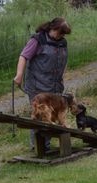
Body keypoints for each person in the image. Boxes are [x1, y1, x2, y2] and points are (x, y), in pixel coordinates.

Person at [14, 17, 71, 150]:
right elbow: (23, 56)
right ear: (53, 28)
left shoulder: (62, 42)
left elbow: (64, 60)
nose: (62, 36)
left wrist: (62, 74)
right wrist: (19, 75)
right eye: (61, 32)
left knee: (52, 115)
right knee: (40, 115)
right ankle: (38, 146)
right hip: (37, 86)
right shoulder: (37, 40)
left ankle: (46, 145)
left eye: (64, 34)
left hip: (54, 86)